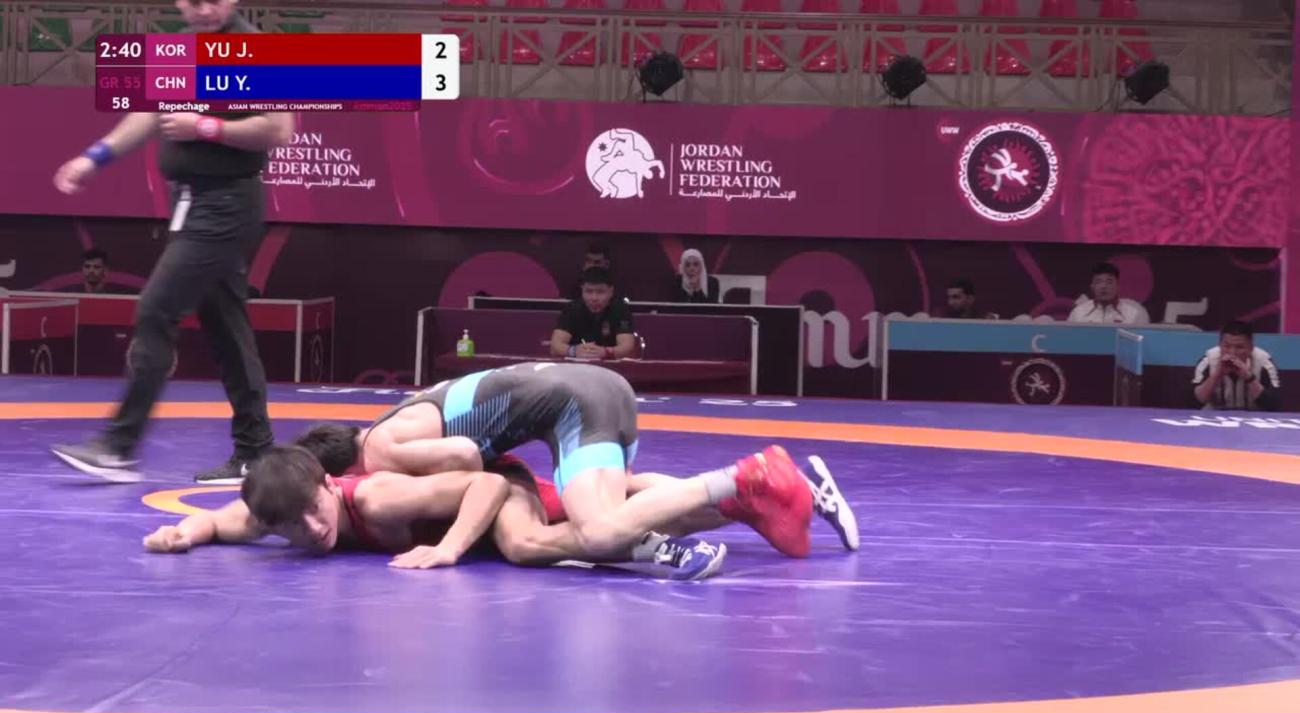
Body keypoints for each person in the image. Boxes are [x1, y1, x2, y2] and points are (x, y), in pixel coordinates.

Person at [48, 0, 293, 485]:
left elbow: (278, 128)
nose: (202, 10)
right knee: (228, 331)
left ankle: (118, 447)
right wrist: (95, 157)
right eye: (193, 0)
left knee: (156, 309)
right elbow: (147, 112)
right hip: (192, 203)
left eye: (212, 0)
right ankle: (255, 452)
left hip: (225, 205)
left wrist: (205, 126)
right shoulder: (179, 49)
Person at [293, 362, 821, 562]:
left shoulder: (380, 449)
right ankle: (758, 500)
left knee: (599, 531)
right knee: (633, 506)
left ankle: (743, 477)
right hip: (598, 390)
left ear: (343, 474)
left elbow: (465, 455)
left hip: (576, 406)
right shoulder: (395, 420)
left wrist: (454, 508)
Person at [142, 445, 731, 580]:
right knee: (623, 497)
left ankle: (646, 539)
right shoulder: (279, 509)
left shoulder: (374, 498)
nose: (313, 530)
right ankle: (745, 495)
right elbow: (220, 520)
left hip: (495, 490)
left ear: (327, 484)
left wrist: (448, 549)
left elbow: (484, 484)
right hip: (473, 503)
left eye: (315, 511)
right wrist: (180, 533)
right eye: (293, 528)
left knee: (527, 544)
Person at [1192, 320, 1282, 412]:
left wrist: (1249, 378)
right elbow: (1194, 402)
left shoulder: (1264, 362)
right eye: (1226, 346)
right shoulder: (1208, 361)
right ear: (1220, 345)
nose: (1232, 353)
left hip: (1253, 417)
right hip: (1214, 416)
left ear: (1251, 348)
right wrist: (1216, 375)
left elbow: (1274, 404)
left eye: (1239, 347)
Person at [550, 267, 637, 360]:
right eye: (589, 291)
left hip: (610, 365)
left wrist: (606, 352)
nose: (594, 298)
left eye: (600, 292)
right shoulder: (572, 309)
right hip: (577, 364)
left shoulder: (620, 309)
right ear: (582, 290)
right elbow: (555, 347)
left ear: (611, 291)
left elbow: (628, 348)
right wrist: (574, 351)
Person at [1066, 262, 1150, 325]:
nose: (1103, 286)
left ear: (1117, 286)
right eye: (1098, 282)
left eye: (1109, 282)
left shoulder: (1133, 314)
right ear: (1092, 287)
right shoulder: (1078, 313)